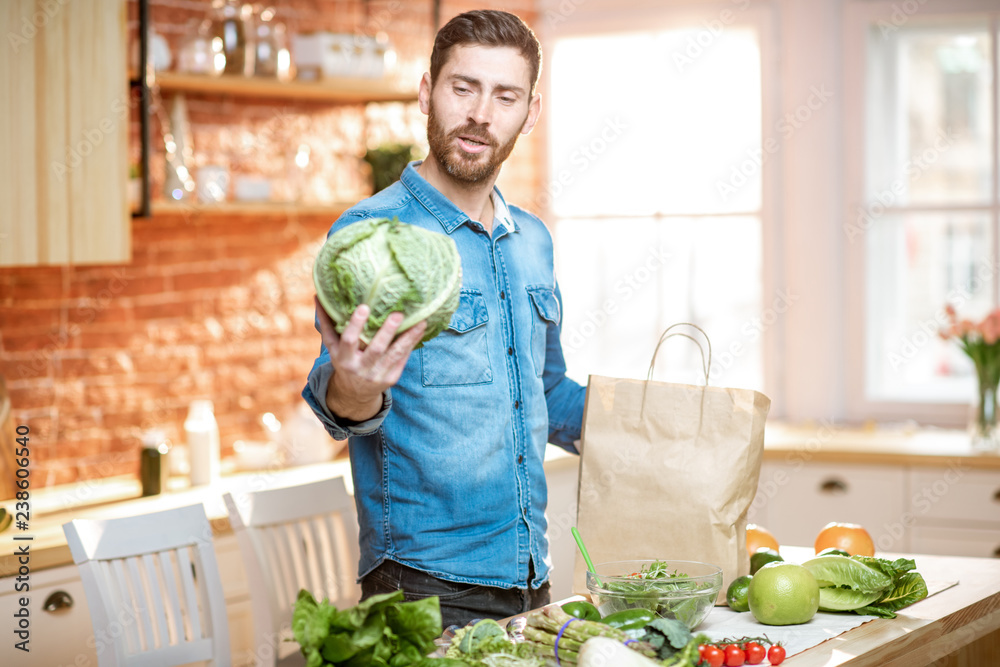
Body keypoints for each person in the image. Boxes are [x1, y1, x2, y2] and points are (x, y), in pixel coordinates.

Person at [302, 9, 585, 628]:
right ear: (428, 93)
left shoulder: (532, 241)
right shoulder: (373, 235)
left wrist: (660, 425)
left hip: (530, 575)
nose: (482, 113)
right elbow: (338, 398)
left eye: (505, 95)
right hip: (421, 586)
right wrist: (357, 381)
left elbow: (548, 392)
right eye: (464, 88)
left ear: (529, 113)